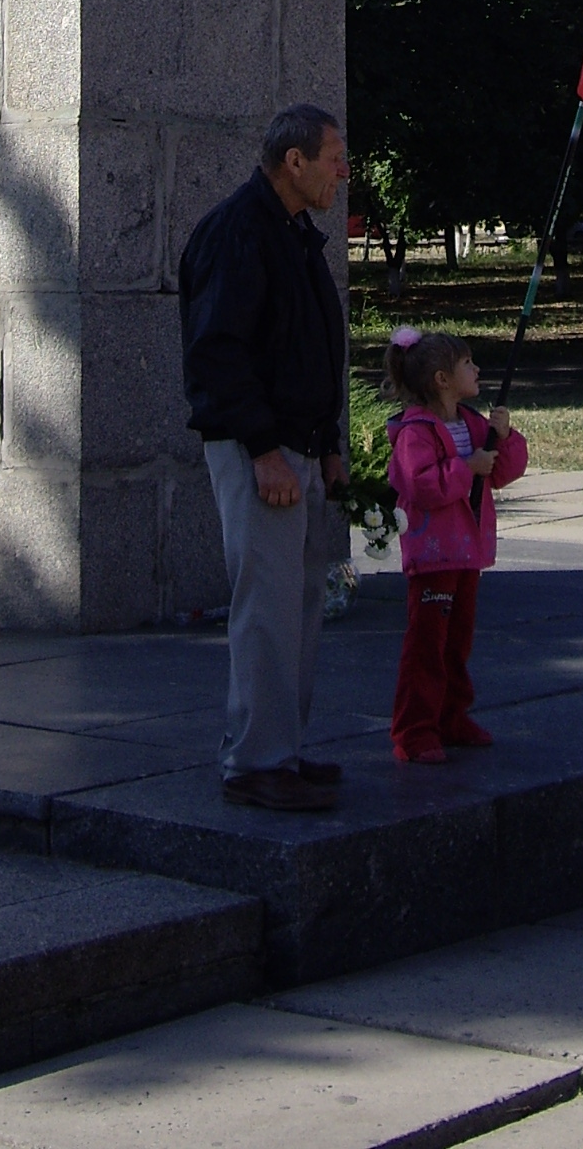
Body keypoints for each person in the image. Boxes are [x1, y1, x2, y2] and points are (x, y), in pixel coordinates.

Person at [179, 104, 350, 813]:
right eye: (334, 157)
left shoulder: (294, 236)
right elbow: (219, 354)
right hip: (265, 458)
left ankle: (282, 747)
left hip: (301, 450)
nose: (344, 171)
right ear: (294, 162)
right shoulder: (237, 233)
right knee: (267, 610)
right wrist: (264, 450)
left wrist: (331, 443)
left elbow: (307, 349)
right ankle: (254, 761)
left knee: (302, 609)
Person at [382, 328, 528, 763]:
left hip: (467, 554)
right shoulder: (415, 433)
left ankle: (451, 716)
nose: (477, 369)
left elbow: (502, 473)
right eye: (467, 363)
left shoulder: (473, 424)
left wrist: (505, 438)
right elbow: (423, 486)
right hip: (433, 556)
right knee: (427, 645)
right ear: (443, 379)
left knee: (457, 642)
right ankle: (414, 730)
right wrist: (468, 467)